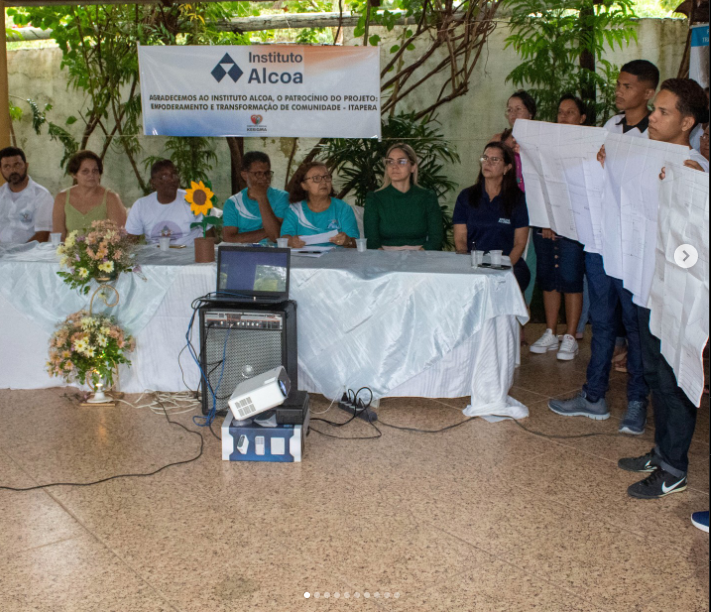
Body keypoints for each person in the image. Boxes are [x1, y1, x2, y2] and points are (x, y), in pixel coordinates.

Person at [548, 60, 660, 436]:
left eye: (628, 86)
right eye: (619, 85)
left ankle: (637, 403)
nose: (619, 91)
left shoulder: (655, 136)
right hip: (600, 240)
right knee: (602, 321)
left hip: (634, 247)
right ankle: (593, 395)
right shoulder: (610, 127)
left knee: (634, 325)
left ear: (647, 93)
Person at [617, 78, 709, 499]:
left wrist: (687, 187)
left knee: (673, 379)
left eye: (663, 112)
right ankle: (660, 450)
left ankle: (674, 468)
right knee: (654, 372)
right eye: (653, 109)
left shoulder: (695, 171)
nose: (651, 116)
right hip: (646, 284)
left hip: (675, 296)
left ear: (687, 122)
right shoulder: (646, 153)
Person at [529, 95, 588, 360]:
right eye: (560, 112)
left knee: (571, 279)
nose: (563, 117)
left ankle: (570, 335)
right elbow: (538, 182)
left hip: (574, 224)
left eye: (570, 113)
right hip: (545, 221)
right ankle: (551, 331)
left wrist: (562, 220)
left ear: (582, 118)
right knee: (548, 278)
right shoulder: (545, 145)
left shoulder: (587, 147)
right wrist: (547, 219)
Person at [452, 142, 530, 291]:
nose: (487, 163)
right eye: (485, 158)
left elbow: (520, 243)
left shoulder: (517, 199)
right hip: (473, 264)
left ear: (507, 167)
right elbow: (460, 239)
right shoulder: (466, 197)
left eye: (495, 160)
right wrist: (469, 265)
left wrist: (504, 269)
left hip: (508, 264)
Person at [363, 143, 443, 251]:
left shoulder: (427, 197)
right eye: (390, 161)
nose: (394, 166)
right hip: (384, 258)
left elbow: (436, 239)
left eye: (401, 161)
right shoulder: (374, 198)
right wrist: (386, 262)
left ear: (413, 167)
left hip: (421, 257)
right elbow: (372, 241)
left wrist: (417, 258)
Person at [125, 160, 213, 245]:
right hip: (154, 258)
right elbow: (130, 243)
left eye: (174, 175)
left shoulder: (194, 200)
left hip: (189, 258)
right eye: (164, 176)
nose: (171, 180)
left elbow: (211, 237)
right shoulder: (141, 206)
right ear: (153, 183)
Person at [280, 162, 359, 248]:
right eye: (316, 178)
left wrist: (347, 241)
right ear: (304, 185)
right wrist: (291, 241)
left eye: (326, 177)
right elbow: (284, 237)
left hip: (336, 260)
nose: (324, 182)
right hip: (304, 259)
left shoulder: (343, 208)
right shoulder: (294, 210)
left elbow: (356, 243)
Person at [52, 150, 126, 238]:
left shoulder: (111, 198)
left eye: (95, 171)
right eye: (85, 171)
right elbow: (58, 236)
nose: (91, 175)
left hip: (102, 251)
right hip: (69, 251)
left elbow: (120, 236)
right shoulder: (62, 198)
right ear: (74, 175)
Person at [223, 151, 290, 243]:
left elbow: (276, 236)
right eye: (258, 173)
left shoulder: (282, 197)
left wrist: (262, 198)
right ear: (244, 175)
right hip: (242, 254)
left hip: (273, 255)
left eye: (267, 173)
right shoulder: (233, 203)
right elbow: (229, 239)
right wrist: (268, 230)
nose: (264, 178)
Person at [0, 146, 53, 243]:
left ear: (26, 165)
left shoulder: (41, 195)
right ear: (1, 169)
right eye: (7, 166)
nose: (13, 170)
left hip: (29, 254)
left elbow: (43, 235)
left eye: (17, 165)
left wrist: (16, 254)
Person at [492, 90, 537, 192]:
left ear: (530, 113)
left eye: (518, 109)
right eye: (510, 110)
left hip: (530, 197)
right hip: (502, 195)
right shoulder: (498, 139)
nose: (513, 113)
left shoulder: (539, 140)